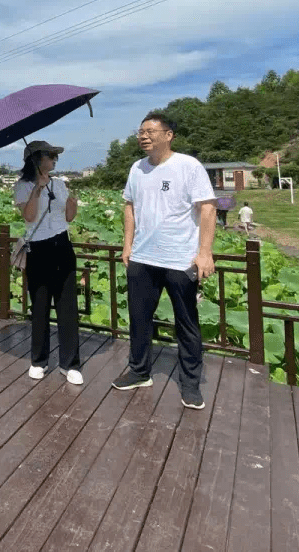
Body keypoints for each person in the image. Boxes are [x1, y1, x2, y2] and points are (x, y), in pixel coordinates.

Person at [113, 113, 216, 410]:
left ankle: (191, 383)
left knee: (186, 323)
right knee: (139, 318)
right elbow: (129, 207)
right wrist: (127, 245)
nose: (143, 136)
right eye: (140, 131)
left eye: (149, 131)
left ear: (168, 135)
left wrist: (204, 252)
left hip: (180, 258)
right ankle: (139, 371)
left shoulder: (188, 166)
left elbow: (207, 208)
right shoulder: (137, 168)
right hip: (143, 257)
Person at [14, 140, 84, 386]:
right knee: (40, 306)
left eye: (55, 156)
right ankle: (39, 361)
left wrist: (72, 207)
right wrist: (37, 190)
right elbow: (30, 216)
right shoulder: (22, 186)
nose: (54, 160)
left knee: (67, 307)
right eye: (50, 156)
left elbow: (67, 217)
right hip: (39, 249)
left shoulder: (60, 184)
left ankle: (70, 364)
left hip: (62, 246)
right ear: (35, 159)